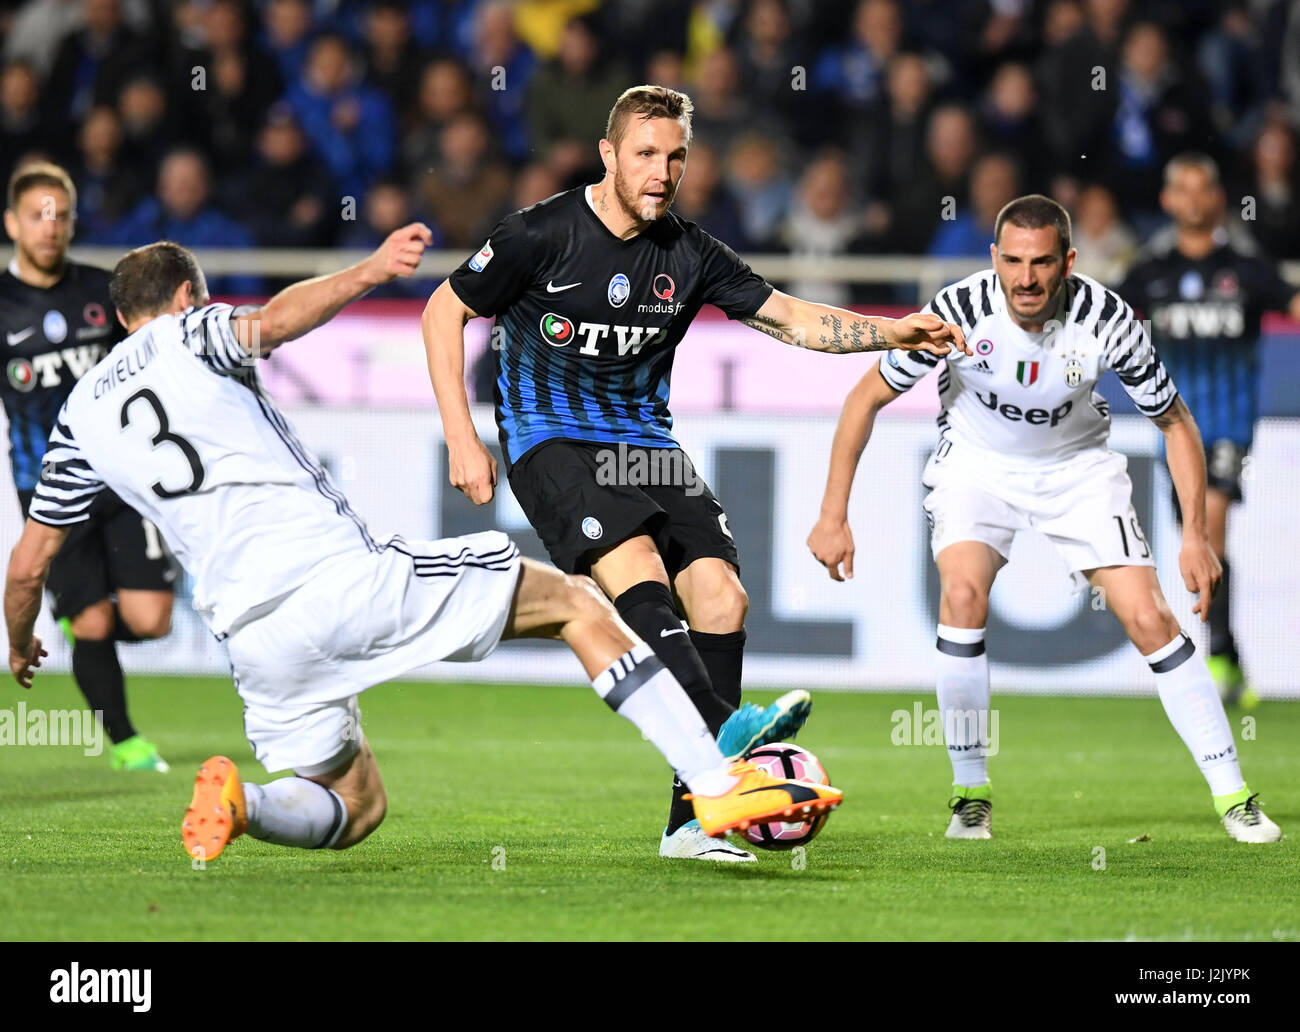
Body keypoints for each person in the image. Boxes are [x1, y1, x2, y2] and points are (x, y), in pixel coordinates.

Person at [4, 228, 842, 864]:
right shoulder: (192, 332)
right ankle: (714, 783)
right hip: (334, 579)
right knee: (574, 603)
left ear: (118, 318)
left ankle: (246, 802)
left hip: (251, 644)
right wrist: (369, 273)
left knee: (353, 805)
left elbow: (28, 565)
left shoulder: (79, 420)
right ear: (188, 294)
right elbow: (270, 324)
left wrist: (19, 641)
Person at [422, 85, 964, 861]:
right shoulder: (539, 233)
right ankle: (723, 741)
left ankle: (691, 821)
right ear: (609, 155)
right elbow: (444, 309)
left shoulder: (691, 253)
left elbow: (790, 318)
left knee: (721, 594)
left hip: (646, 442)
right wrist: (460, 435)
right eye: (645, 153)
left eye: (675, 156)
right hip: (552, 442)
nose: (661, 171)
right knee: (636, 567)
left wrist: (890, 331)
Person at [807, 194, 1281, 845]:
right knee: (963, 595)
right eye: (1014, 262)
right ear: (994, 258)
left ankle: (1235, 798)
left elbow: (1175, 421)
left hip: (1078, 469)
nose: (1026, 279)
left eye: (1042, 263)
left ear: (1069, 262)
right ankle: (970, 794)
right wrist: (834, 514)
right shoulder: (956, 311)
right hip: (977, 464)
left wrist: (1195, 537)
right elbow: (865, 398)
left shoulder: (1108, 318)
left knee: (1150, 618)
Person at [0, 161, 171, 772]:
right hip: (45, 489)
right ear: (12, 224)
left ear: (72, 223)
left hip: (121, 479)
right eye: (37, 215)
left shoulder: (106, 292)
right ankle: (126, 741)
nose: (50, 227)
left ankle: (82, 630)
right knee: (93, 618)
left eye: (61, 214)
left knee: (151, 621)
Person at [1120, 153, 1300, 707]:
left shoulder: (1245, 266)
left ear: (1217, 198)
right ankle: (1229, 656)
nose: (1194, 200)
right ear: (1169, 200)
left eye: (1204, 189)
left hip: (1227, 427)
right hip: (1173, 430)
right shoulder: (1150, 272)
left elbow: (1291, 304)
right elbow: (1102, 323)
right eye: (1183, 190)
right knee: (1196, 540)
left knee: (1210, 526)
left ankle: (1216, 659)